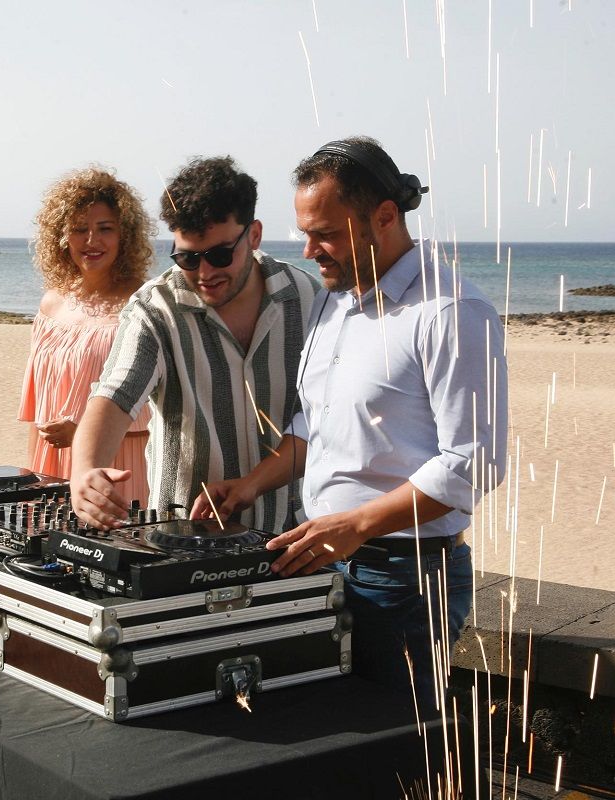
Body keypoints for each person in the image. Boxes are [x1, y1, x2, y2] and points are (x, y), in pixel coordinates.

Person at [193, 137, 508, 704]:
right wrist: (250, 486)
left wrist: (355, 526)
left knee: (397, 745)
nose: (309, 250)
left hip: (406, 583)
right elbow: (317, 424)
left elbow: (472, 464)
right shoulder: (333, 300)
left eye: (326, 234)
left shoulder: (453, 312)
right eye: (304, 233)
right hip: (323, 568)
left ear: (385, 217)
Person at [70, 156, 320, 534]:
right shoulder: (155, 309)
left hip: (291, 534)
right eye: (187, 257)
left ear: (254, 235)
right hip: (184, 539)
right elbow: (114, 395)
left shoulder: (307, 297)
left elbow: (321, 417)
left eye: (220, 255)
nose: (205, 273)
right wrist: (85, 472)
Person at [18, 168, 153, 499]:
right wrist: (31, 479)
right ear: (62, 236)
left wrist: (84, 435)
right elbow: (38, 413)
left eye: (105, 229)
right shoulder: (51, 304)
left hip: (119, 466)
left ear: (125, 235)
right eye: (79, 229)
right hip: (51, 467)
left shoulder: (144, 303)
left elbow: (160, 418)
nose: (91, 241)